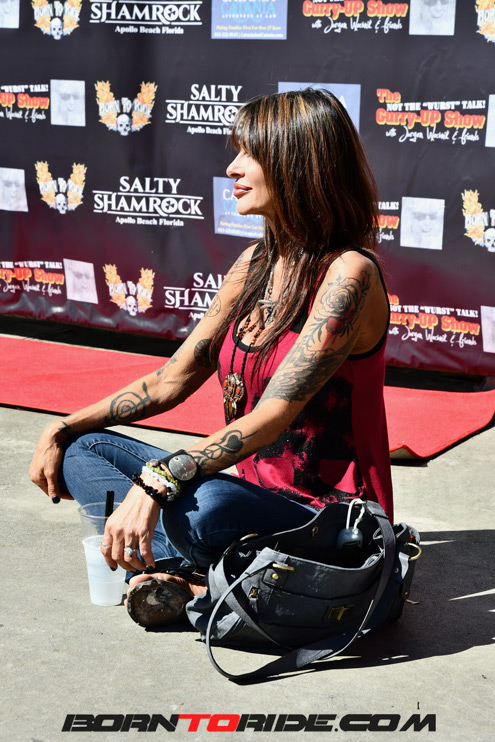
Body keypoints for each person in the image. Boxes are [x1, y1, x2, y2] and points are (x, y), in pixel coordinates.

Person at [29, 88, 393, 628]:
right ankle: (187, 572)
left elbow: (272, 417)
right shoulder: (256, 264)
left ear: (298, 164)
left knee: (205, 508)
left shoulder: (349, 275)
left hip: (326, 520)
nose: (233, 168)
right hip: (251, 498)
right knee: (86, 450)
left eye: (252, 154)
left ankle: (177, 569)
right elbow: (170, 381)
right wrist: (61, 427)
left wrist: (158, 480)